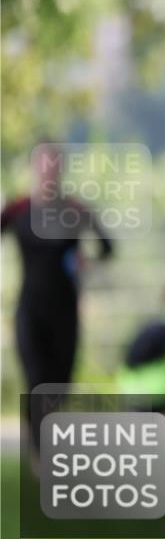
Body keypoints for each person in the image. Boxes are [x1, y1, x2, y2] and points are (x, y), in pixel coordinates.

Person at [1, 143, 114, 395]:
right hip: (30, 308)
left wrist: (88, 261)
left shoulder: (75, 210)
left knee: (59, 385)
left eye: (53, 165)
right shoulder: (19, 209)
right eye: (42, 165)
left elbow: (107, 248)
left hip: (65, 310)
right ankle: (36, 434)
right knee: (36, 381)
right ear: (33, 168)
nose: (48, 172)